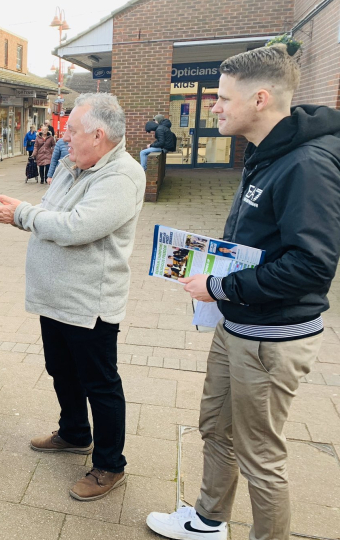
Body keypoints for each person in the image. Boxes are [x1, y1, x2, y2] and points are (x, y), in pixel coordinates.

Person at [146, 45, 340, 540]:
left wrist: (218, 285)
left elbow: (311, 266)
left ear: (259, 99)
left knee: (261, 458)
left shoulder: (306, 165)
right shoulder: (266, 153)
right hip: (238, 323)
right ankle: (208, 521)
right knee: (216, 427)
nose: (213, 107)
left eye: (222, 98)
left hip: (272, 339)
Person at [0, 93, 145, 502]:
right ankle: (74, 432)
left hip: (89, 303)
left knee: (100, 384)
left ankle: (110, 465)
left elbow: (76, 227)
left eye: (71, 130)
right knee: (61, 369)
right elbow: (51, 214)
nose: (64, 137)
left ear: (98, 134)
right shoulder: (73, 166)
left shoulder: (121, 176)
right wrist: (28, 215)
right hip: (56, 297)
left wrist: (23, 214)